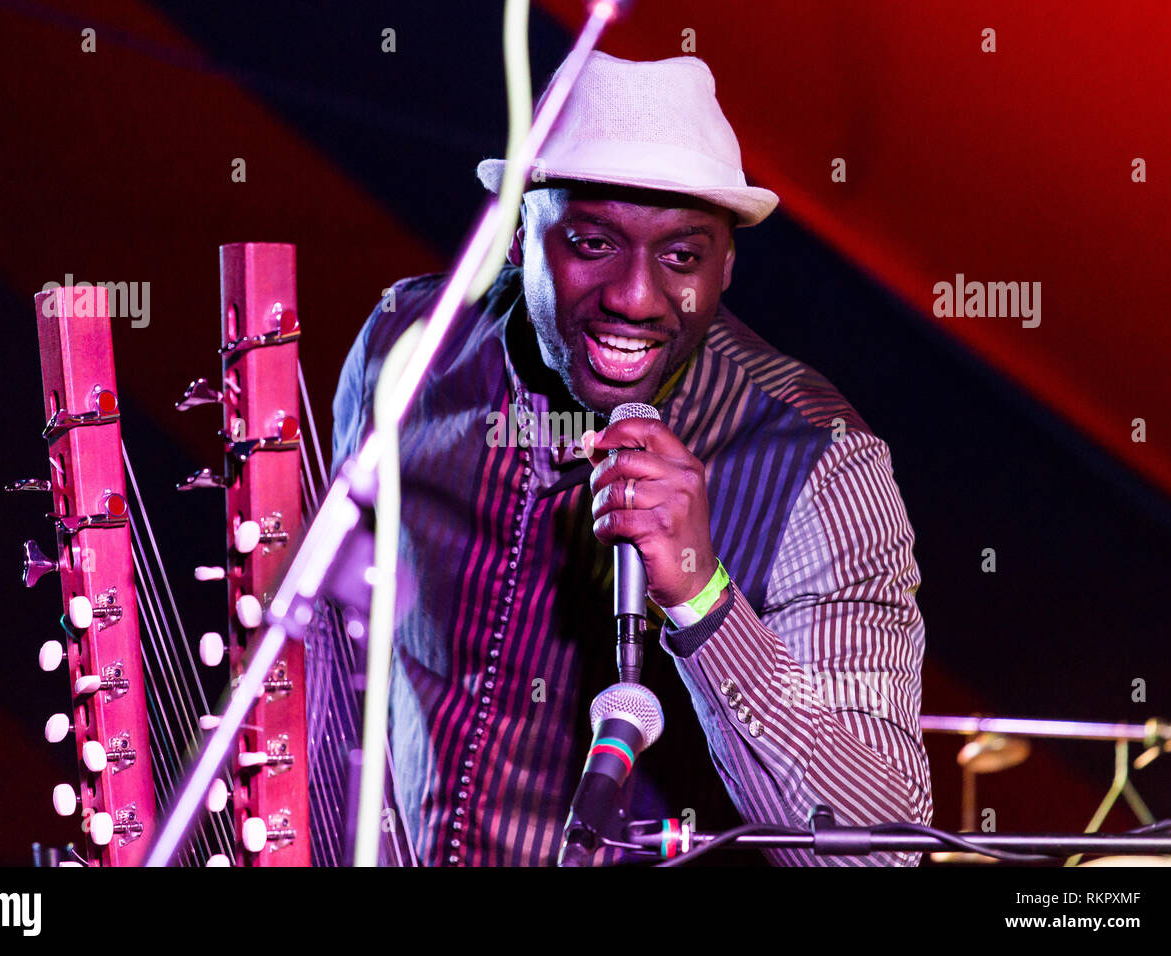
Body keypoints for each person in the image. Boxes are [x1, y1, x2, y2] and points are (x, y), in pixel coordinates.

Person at [330, 51, 932, 866]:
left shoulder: (820, 464)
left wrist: (703, 600)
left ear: (726, 266)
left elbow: (881, 854)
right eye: (592, 242)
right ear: (517, 236)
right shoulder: (406, 350)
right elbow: (337, 654)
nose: (635, 297)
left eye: (681, 256)